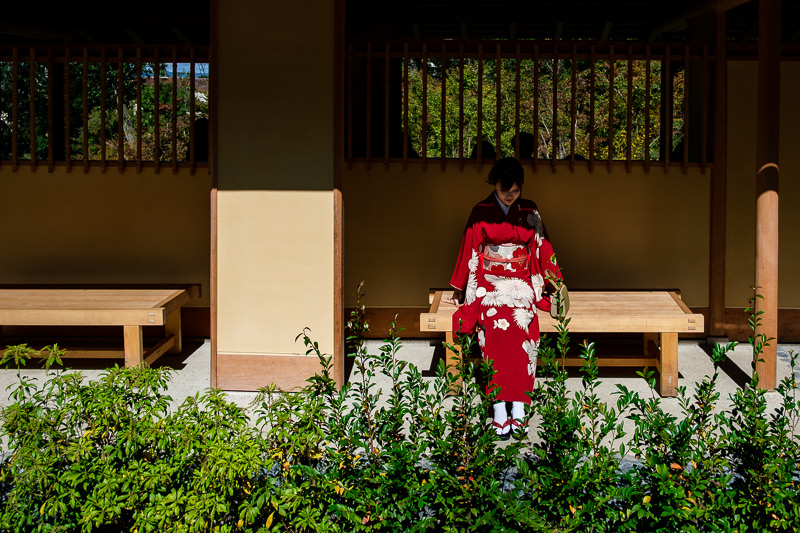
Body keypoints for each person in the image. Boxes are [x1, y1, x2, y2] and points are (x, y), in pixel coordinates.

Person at [448, 157, 563, 440]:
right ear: (494, 185)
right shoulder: (481, 211)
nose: (509, 195)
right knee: (494, 319)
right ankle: (499, 405)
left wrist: (554, 282)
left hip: (521, 281)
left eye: (514, 190)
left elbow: (542, 246)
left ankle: (521, 406)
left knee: (523, 321)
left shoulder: (530, 211)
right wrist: (460, 286)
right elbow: (470, 248)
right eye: (503, 190)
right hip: (489, 281)